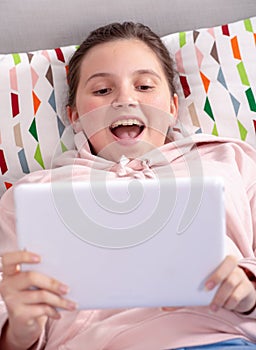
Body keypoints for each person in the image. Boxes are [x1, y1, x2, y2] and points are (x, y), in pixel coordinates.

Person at [0, 21, 256, 350]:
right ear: (74, 116)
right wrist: (18, 330)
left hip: (219, 339)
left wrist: (247, 291)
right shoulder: (29, 196)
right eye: (102, 90)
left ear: (173, 108)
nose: (125, 99)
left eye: (145, 86)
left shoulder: (230, 159)